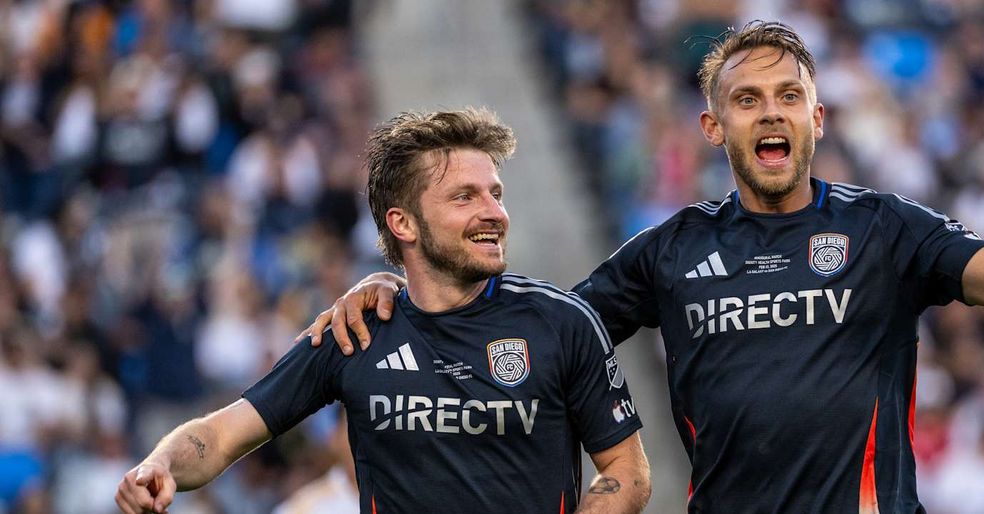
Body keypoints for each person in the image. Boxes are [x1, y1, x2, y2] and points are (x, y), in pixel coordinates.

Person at [305, 21, 984, 513]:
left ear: (818, 117)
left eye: (789, 96)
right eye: (748, 100)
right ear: (715, 125)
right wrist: (404, 283)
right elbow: (538, 335)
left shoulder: (885, 229)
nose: (771, 111)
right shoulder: (672, 250)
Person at [114, 109, 651, 514]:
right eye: (465, 197)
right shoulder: (354, 332)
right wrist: (159, 464)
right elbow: (221, 436)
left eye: (496, 193)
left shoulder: (562, 322)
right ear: (404, 224)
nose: (495, 213)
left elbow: (626, 470)